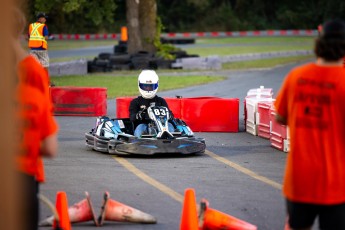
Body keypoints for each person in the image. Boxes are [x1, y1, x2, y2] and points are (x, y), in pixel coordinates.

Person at [275, 19, 345, 230]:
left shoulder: (296, 77)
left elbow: (280, 117)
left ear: (318, 44)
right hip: (336, 183)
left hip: (299, 179)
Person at [14, 7, 58, 230]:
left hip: (31, 51)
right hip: (25, 173)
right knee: (44, 66)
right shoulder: (32, 93)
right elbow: (49, 147)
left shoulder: (32, 27)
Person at [129, 70, 175, 137]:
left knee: (170, 126)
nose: (148, 89)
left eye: (151, 87)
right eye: (145, 86)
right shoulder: (136, 102)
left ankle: (171, 140)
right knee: (140, 128)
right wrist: (143, 115)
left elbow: (171, 115)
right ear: (140, 85)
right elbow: (132, 118)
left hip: (160, 126)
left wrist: (167, 115)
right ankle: (139, 142)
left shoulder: (160, 101)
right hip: (144, 126)